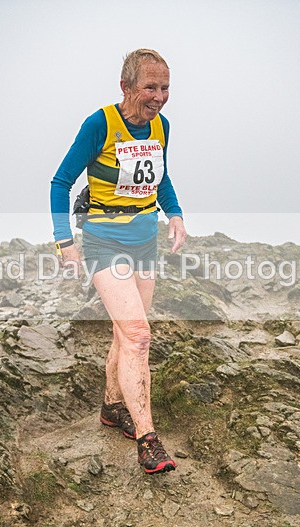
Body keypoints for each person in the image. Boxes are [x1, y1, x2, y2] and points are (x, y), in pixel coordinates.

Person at [50, 49, 187, 475]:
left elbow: (160, 177)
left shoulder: (161, 125)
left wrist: (176, 214)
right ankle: (148, 439)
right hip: (103, 242)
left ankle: (113, 407)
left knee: (124, 335)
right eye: (150, 87)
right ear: (126, 86)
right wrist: (63, 241)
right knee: (138, 334)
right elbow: (60, 182)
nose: (160, 97)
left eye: (165, 87)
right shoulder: (100, 124)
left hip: (145, 242)